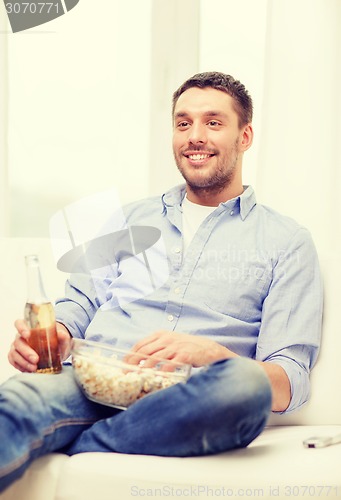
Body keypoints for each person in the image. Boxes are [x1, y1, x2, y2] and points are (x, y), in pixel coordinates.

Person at [0, 71, 322, 492]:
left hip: (187, 399)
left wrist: (213, 354)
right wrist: (58, 332)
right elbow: (80, 302)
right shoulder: (131, 219)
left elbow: (289, 380)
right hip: (93, 380)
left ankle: (84, 444)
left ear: (245, 137)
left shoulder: (287, 242)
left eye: (213, 122)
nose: (195, 135)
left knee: (247, 387)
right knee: (17, 401)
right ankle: (97, 439)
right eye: (183, 123)